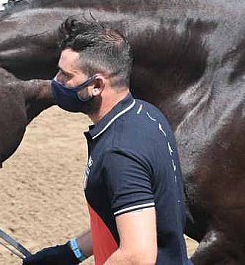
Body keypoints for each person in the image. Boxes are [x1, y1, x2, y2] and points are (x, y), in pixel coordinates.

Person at [24, 18, 190, 264]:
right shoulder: (145, 114)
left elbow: (137, 256)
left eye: (65, 75)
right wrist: (70, 253)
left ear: (97, 85)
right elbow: (127, 218)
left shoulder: (118, 153)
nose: (56, 81)